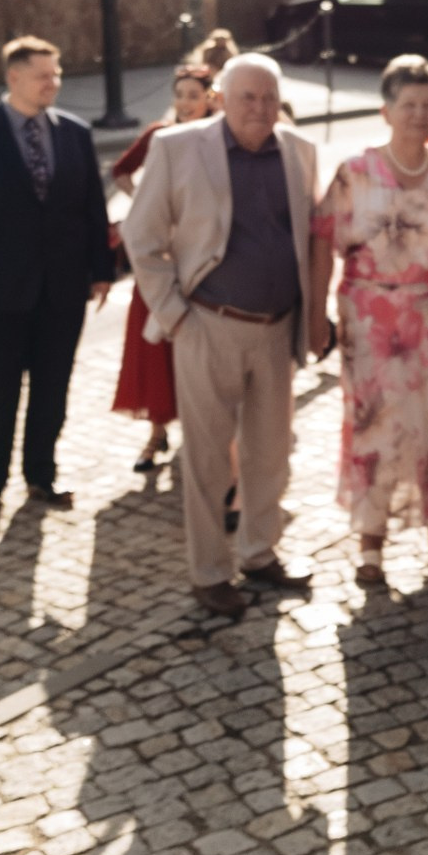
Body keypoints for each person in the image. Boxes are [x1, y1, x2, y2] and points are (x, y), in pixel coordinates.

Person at [122, 55, 319, 619]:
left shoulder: (298, 152)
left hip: (276, 327)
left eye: (268, 98)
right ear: (223, 99)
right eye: (247, 98)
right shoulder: (178, 148)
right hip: (208, 324)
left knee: (270, 454)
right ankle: (210, 573)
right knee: (208, 460)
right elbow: (141, 236)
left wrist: (315, 317)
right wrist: (175, 314)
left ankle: (259, 555)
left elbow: (311, 237)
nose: (259, 109)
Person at [309, 56, 428, 584]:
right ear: (386, 110)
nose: (418, 114)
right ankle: (370, 539)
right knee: (372, 429)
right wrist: (318, 315)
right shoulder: (355, 173)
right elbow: (322, 240)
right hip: (370, 325)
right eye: (407, 104)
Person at [0, 38, 115, 530]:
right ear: (13, 77)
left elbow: (92, 209)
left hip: (62, 290)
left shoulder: (75, 134)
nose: (52, 83)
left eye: (56, 75)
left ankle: (41, 476)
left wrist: (102, 270)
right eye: (43, 75)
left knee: (52, 388)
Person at [109, 66, 217, 471]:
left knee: (200, 343)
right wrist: (145, 203)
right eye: (181, 95)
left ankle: (201, 430)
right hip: (161, 253)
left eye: (194, 95)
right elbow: (120, 170)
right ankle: (157, 432)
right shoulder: (159, 135)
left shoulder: (219, 137)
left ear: (209, 97)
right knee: (153, 342)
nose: (186, 103)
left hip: (201, 255)